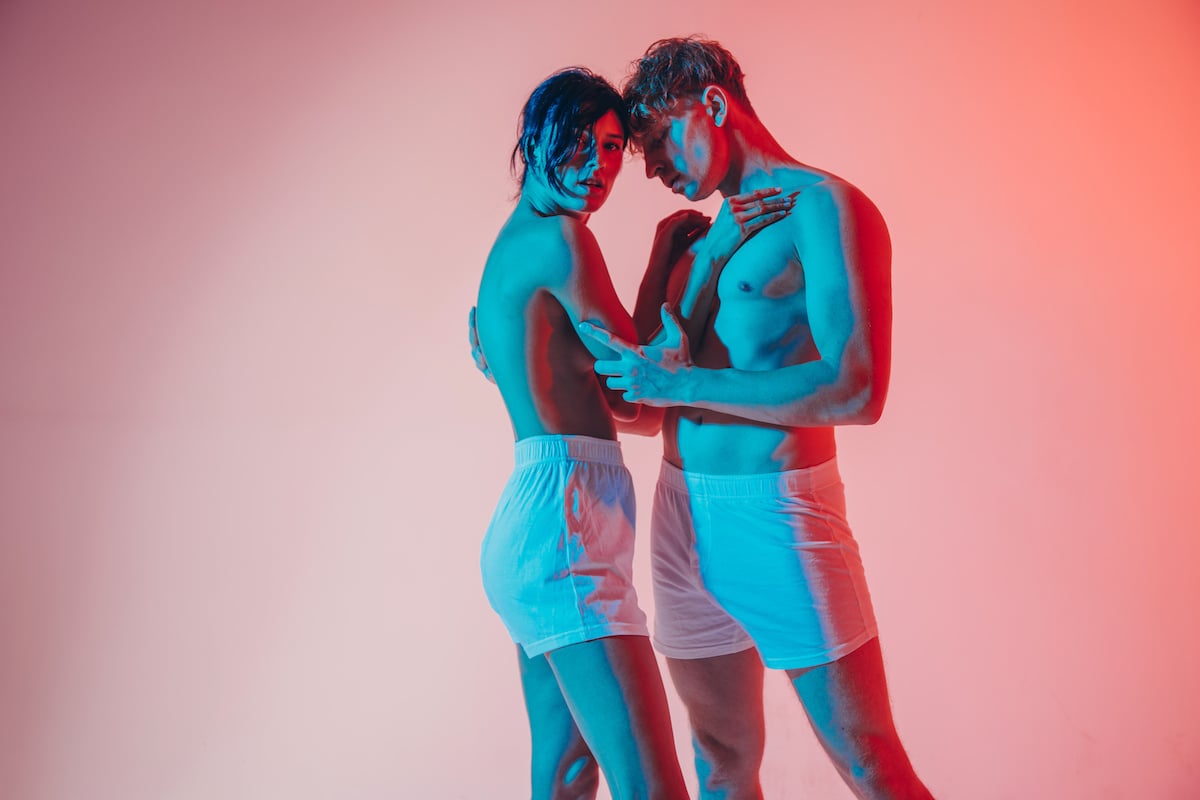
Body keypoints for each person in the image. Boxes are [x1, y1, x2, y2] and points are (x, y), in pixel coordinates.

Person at [577, 37, 936, 799]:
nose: (651, 168)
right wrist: (664, 269)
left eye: (658, 140)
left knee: (869, 762)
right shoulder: (694, 242)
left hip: (778, 515)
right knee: (721, 764)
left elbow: (856, 391)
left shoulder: (825, 207)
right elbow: (640, 403)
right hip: (680, 515)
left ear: (712, 104)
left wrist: (685, 383)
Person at [473, 66, 789, 800]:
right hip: (564, 531)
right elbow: (641, 400)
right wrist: (708, 256)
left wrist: (656, 267)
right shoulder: (563, 243)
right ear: (534, 140)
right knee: (652, 787)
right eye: (578, 142)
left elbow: (624, 396)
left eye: (613, 147)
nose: (598, 165)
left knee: (567, 775)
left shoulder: (517, 244)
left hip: (538, 527)